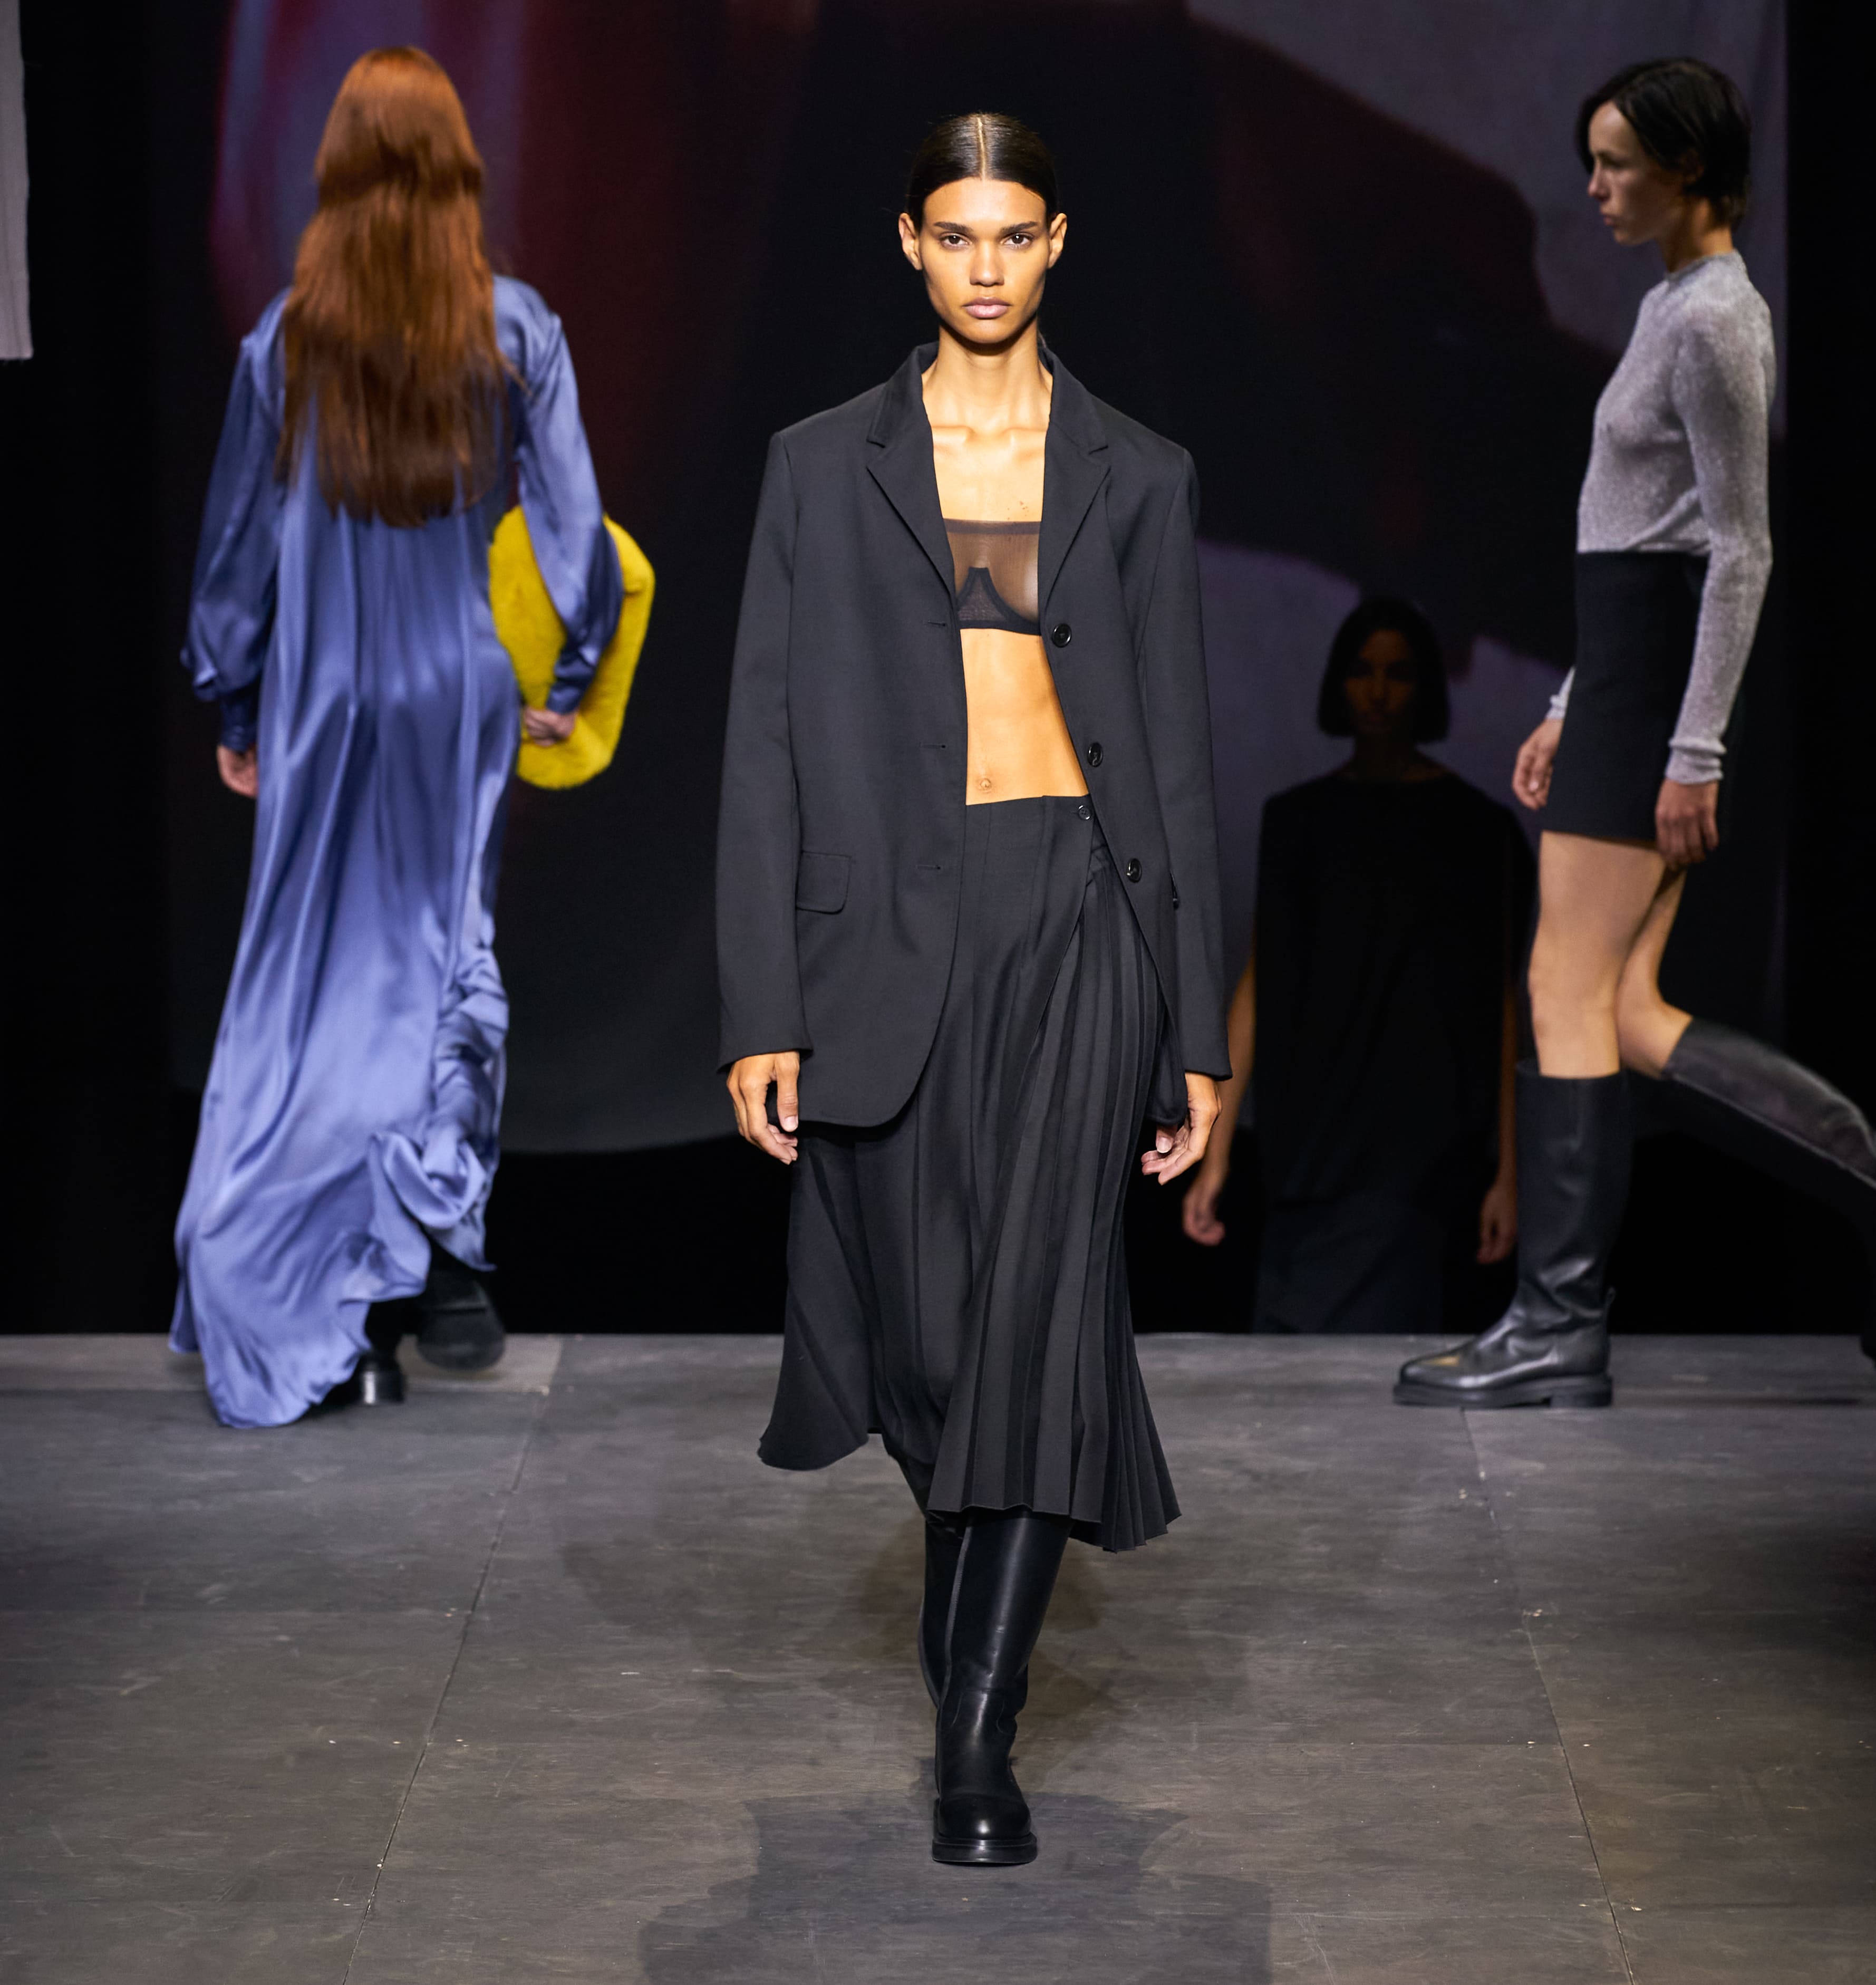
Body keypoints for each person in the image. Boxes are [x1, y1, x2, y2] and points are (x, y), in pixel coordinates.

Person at [715, 112, 1225, 1866]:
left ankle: (974, 1738)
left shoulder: (1138, 474)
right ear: (911, 245)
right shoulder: (818, 466)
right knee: (931, 1342)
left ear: (1057, 242)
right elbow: (762, 745)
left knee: (1038, 1319)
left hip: (1080, 915)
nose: (986, 266)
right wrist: (759, 1004)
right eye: (957, 235)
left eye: (1015, 235)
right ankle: (969, 1657)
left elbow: (1176, 759)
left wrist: (1197, 1026)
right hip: (887, 936)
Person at [1396, 59, 1876, 1409]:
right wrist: (1569, 702)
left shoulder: (1718, 318)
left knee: (1563, 992)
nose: (1595, 186)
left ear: (1689, 168)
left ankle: (1558, 1323)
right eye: (1594, 159)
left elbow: (1738, 550)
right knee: (1624, 1013)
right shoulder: (1672, 306)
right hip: (1627, 683)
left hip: (1657, 700)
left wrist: (1693, 750)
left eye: (1617, 163)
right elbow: (1639, 551)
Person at [174, 48, 622, 1428]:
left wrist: (236, 698)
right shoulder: (514, 328)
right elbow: (573, 525)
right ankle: (438, 1262)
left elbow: (241, 544)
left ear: (336, 168)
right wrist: (573, 671)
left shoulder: (285, 339)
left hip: (322, 694)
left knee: (313, 987)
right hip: (450, 691)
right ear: (457, 169)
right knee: (439, 963)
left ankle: (341, 1288)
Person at [1182, 600, 1531, 1334]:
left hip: (1418, 1151)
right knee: (1297, 1364)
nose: (1377, 692)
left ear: (1425, 688)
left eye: (1398, 674)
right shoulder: (1297, 822)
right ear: (1338, 683)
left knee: (1369, 1358)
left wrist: (1509, 1170)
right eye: (1362, 671)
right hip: (1306, 1145)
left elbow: (1502, 1006)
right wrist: (1217, 1155)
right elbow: (1258, 985)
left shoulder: (1476, 830)